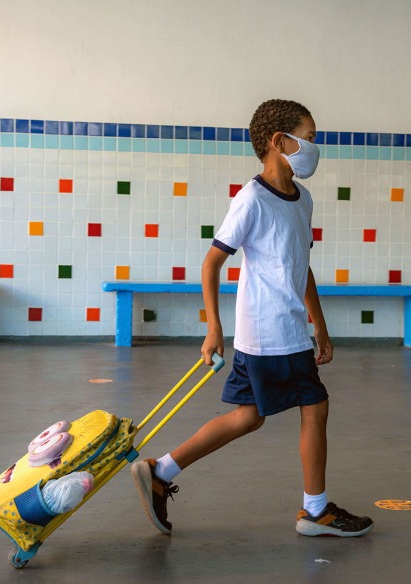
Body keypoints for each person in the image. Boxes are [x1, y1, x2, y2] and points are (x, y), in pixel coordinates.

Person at [130, 99, 373, 538]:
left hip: (288, 328)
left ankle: (160, 470)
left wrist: (319, 323)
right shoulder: (251, 200)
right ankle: (315, 512)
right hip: (268, 330)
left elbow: (302, 266)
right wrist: (213, 329)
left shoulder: (302, 200)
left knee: (248, 416)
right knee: (315, 405)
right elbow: (211, 264)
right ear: (280, 142)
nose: (315, 146)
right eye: (310, 137)